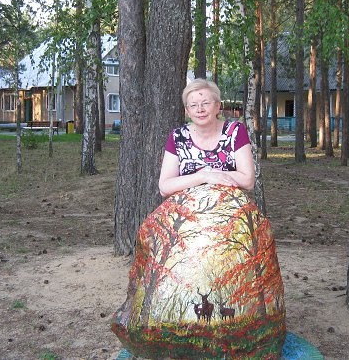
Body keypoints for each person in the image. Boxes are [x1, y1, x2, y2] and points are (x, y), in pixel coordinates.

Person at [112, 79, 286, 359]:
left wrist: (213, 179)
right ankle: (171, 331)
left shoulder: (234, 131)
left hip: (229, 219)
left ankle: (238, 333)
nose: (200, 109)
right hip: (185, 220)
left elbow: (247, 180)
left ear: (218, 106)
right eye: (193, 105)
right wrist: (204, 175)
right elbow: (165, 185)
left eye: (206, 103)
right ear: (187, 110)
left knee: (232, 271)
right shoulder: (178, 137)